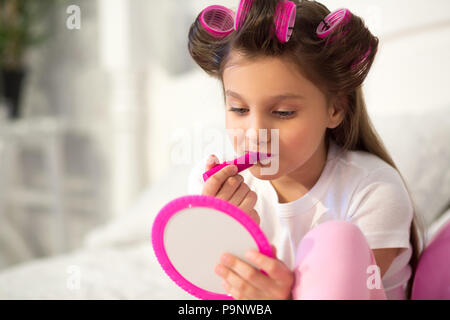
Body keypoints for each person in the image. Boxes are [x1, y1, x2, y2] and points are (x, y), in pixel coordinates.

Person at [186, 0, 424, 300]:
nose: (256, 134)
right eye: (239, 108)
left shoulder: (374, 190)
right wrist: (222, 233)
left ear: (335, 109)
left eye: (283, 112)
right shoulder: (210, 190)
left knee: (337, 242)